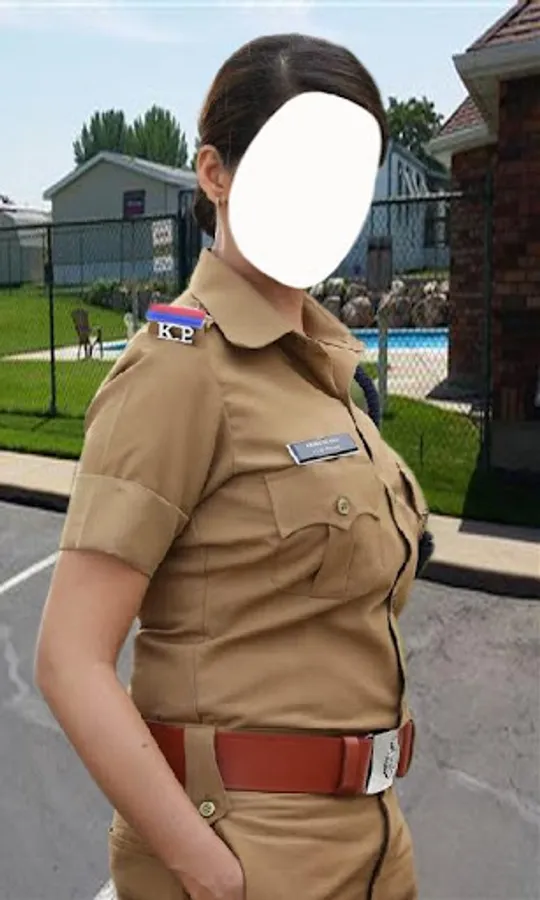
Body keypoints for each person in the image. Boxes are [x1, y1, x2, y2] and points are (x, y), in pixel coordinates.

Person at [35, 33, 432, 900]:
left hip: (370, 842)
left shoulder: (323, 372)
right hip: (250, 855)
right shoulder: (179, 368)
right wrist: (208, 870)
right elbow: (69, 657)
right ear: (215, 174)